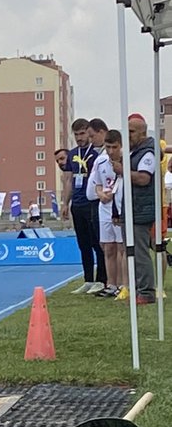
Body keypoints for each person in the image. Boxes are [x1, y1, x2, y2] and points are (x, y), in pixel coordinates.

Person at [63, 118, 106, 294]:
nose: (79, 137)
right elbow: (68, 180)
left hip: (92, 203)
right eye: (76, 134)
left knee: (97, 242)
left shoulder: (95, 154)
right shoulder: (72, 154)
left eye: (82, 133)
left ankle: (101, 279)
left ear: (88, 133)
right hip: (77, 204)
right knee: (83, 244)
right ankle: (88, 279)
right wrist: (65, 203)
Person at [125, 113, 157, 304]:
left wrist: (123, 170)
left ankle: (146, 292)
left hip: (141, 209)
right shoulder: (134, 151)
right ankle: (138, 289)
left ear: (142, 133)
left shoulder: (148, 152)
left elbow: (144, 179)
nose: (128, 135)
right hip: (132, 208)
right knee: (132, 251)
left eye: (131, 131)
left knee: (140, 252)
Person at [90, 128, 125, 299]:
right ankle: (111, 284)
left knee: (121, 247)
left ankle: (123, 285)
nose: (111, 151)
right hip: (104, 208)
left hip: (120, 207)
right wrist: (100, 194)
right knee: (108, 247)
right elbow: (97, 184)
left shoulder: (126, 162)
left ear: (121, 146)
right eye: (108, 147)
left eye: (114, 147)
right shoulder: (101, 162)